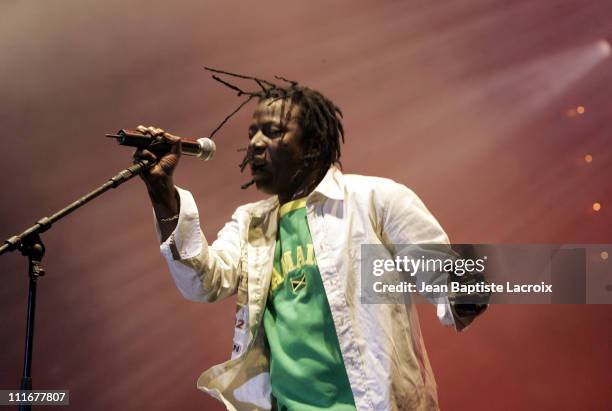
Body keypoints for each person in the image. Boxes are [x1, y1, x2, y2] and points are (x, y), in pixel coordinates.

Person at [134, 78, 486, 411]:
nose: (256, 143)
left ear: (314, 144)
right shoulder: (250, 223)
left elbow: (445, 274)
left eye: (272, 131)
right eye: (252, 133)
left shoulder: (375, 199)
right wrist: (162, 192)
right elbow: (204, 281)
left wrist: (466, 290)